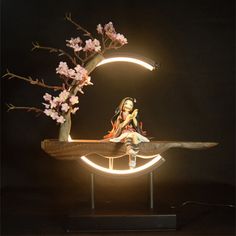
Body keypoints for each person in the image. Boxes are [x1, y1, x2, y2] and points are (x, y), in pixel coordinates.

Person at [104, 97, 149, 168]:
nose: (128, 106)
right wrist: (126, 120)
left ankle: (131, 152)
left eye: (131, 105)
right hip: (124, 132)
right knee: (128, 135)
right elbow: (119, 126)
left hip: (131, 132)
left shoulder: (131, 115)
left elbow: (136, 126)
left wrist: (133, 117)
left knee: (133, 134)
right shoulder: (120, 115)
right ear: (122, 104)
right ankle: (132, 155)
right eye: (126, 104)